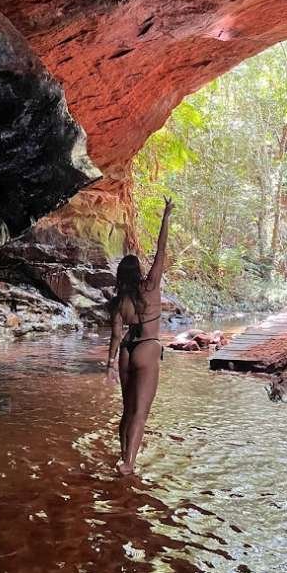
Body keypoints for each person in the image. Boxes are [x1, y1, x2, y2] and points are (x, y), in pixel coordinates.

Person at [106, 196, 174, 475]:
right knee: (140, 414)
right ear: (139, 272)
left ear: (121, 274)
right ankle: (129, 465)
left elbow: (114, 336)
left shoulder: (119, 300)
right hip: (147, 348)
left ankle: (122, 455)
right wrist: (166, 217)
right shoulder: (151, 287)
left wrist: (109, 365)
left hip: (125, 351)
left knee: (126, 410)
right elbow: (161, 251)